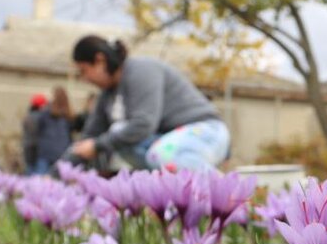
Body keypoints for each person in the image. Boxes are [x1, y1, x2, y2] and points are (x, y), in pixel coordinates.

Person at [71, 35, 229, 172]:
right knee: (121, 134)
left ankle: (222, 193)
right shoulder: (108, 96)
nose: (85, 79)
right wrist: (54, 176)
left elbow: (144, 124)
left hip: (205, 130)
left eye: (84, 71)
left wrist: (97, 146)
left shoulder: (141, 71)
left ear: (100, 60)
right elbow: (88, 139)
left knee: (158, 153)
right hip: (166, 142)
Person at [33, 86, 75, 174]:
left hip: (46, 152)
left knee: (41, 182)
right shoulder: (69, 115)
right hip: (63, 152)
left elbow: (37, 128)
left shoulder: (46, 112)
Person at [21, 93, 47, 174]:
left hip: (27, 147)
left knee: (29, 170)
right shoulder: (42, 117)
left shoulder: (27, 116)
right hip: (38, 148)